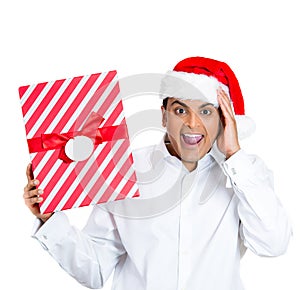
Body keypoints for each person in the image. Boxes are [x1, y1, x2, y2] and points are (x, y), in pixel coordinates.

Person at [23, 56, 292, 290]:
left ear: (224, 120)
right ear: (164, 116)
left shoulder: (245, 175)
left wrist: (234, 154)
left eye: (206, 111)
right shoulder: (126, 170)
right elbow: (94, 270)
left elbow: (273, 244)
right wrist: (50, 220)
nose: (192, 123)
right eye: (180, 110)